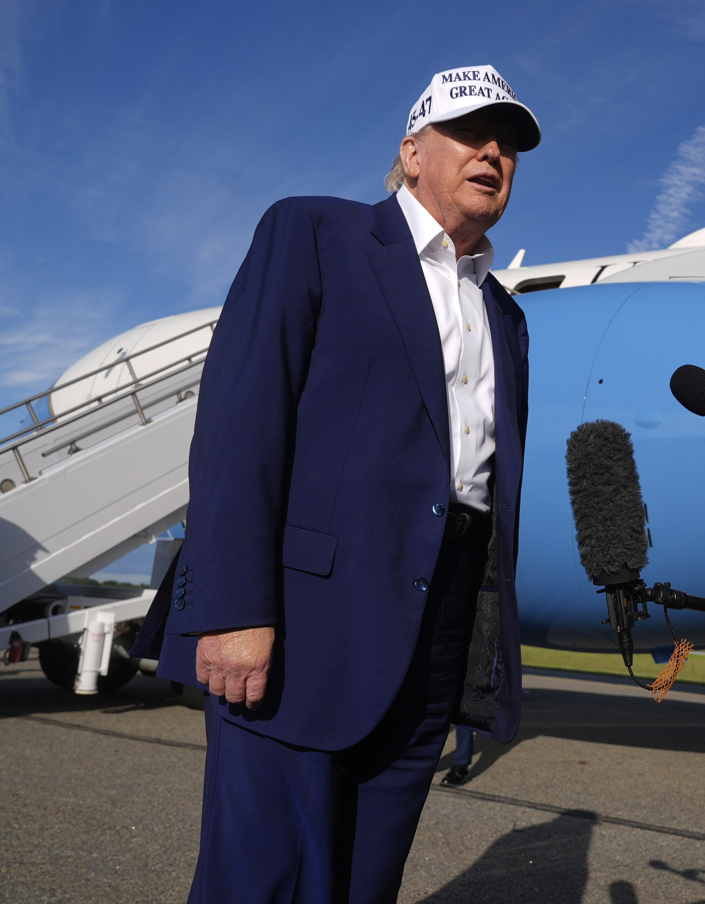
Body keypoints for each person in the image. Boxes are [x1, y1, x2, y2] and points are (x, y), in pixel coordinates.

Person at [131, 64, 538, 903]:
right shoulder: (315, 233)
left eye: (507, 144)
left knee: (366, 883)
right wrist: (233, 608)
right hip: (301, 625)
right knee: (264, 881)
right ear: (412, 152)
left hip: (437, 626)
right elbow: (241, 426)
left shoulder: (505, 313)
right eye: (471, 132)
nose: (493, 152)